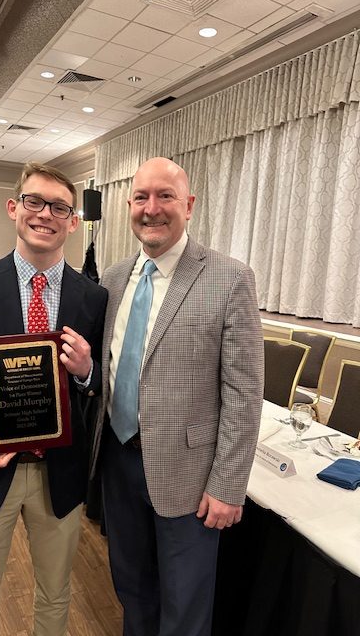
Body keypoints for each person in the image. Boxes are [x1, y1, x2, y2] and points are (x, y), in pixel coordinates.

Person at [0, 162, 107, 636]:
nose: (45, 214)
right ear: (14, 208)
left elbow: (98, 388)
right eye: (34, 201)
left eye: (60, 207)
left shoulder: (93, 298)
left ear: (73, 221)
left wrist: (87, 372)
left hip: (60, 478)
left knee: (55, 598)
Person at [91, 157, 264, 636]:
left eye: (165, 196)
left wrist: (228, 485)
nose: (153, 208)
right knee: (131, 589)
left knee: (185, 607)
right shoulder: (112, 278)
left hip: (191, 479)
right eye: (142, 197)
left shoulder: (230, 278)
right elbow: (105, 371)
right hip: (118, 462)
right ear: (129, 206)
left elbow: (245, 394)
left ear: (188, 206)